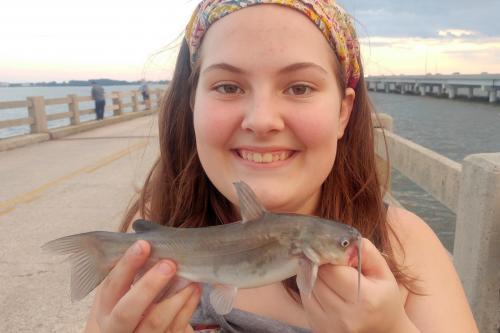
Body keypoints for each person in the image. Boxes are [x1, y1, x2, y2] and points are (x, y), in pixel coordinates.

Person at [84, 1, 479, 332]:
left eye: (299, 87)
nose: (262, 120)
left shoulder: (405, 246)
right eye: (228, 87)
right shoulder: (150, 236)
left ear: (343, 112)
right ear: (192, 104)